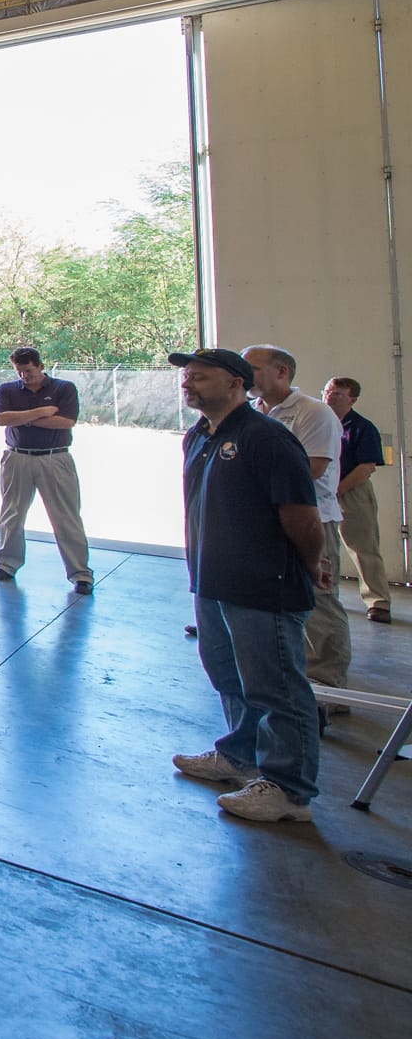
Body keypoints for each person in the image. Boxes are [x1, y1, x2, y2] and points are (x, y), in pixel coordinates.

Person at [170, 348, 325, 823]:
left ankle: (289, 790)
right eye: (187, 376)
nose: (188, 383)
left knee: (276, 687)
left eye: (200, 376)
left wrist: (307, 567)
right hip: (212, 580)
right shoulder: (199, 436)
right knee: (227, 675)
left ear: (236, 383)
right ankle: (239, 756)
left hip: (262, 584)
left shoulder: (265, 438)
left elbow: (301, 516)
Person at [243, 344, 350, 689]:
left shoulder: (314, 412)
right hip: (266, 521)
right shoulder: (251, 412)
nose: (244, 376)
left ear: (282, 372)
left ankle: (326, 683)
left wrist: (247, 475)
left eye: (253, 369)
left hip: (311, 519)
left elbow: (312, 468)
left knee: (318, 600)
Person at [0, 346, 93, 593]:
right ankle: (6, 564)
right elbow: (2, 419)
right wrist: (42, 412)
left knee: (66, 517)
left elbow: (65, 421)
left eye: (29, 370)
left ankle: (80, 573)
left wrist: (21, 417)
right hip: (17, 457)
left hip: (54, 458)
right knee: (12, 513)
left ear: (41, 366)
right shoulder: (7, 390)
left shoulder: (63, 389)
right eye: (19, 371)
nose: (24, 376)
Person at [324, 376, 393, 624]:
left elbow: (366, 467)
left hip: (352, 491)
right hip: (324, 490)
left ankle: (377, 601)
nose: (330, 397)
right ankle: (327, 594)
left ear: (352, 399)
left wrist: (338, 490)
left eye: (337, 394)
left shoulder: (361, 427)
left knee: (363, 548)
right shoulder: (321, 422)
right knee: (324, 548)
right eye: (327, 391)